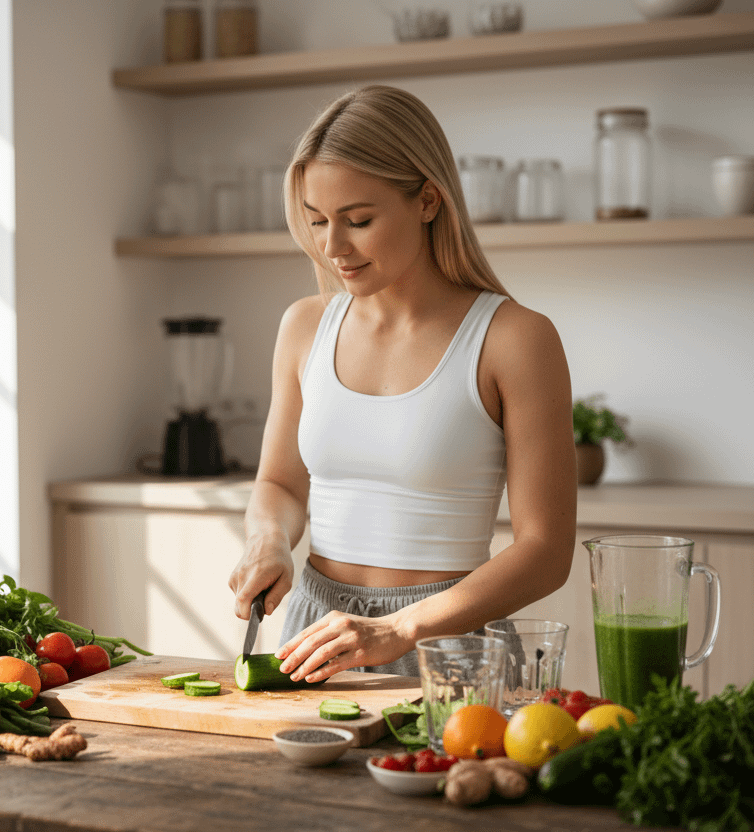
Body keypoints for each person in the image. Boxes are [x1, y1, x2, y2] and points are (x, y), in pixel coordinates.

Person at [228, 85, 577, 682]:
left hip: (450, 644)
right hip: (315, 637)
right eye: (317, 221)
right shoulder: (304, 326)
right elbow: (281, 483)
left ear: (428, 201)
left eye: (358, 220)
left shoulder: (514, 338)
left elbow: (545, 552)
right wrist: (269, 539)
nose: (332, 247)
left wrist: (399, 628)